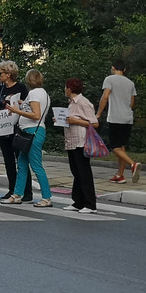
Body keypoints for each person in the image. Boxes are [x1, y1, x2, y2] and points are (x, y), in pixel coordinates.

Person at [1, 69, 53, 207]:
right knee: (22, 165)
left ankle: (46, 197)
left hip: (32, 132)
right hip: (32, 131)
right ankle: (17, 194)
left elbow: (36, 114)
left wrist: (16, 110)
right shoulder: (43, 93)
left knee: (36, 166)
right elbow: (34, 109)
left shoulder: (34, 93)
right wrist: (23, 103)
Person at [95, 60, 140, 184]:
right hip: (128, 117)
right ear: (124, 70)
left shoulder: (110, 79)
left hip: (116, 117)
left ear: (113, 68)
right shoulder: (130, 83)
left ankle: (133, 164)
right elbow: (132, 103)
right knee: (122, 146)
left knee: (114, 146)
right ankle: (120, 174)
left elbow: (105, 96)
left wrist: (98, 113)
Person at [58, 78, 99, 214]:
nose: (65, 89)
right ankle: (78, 201)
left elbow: (94, 123)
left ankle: (90, 203)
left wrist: (75, 121)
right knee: (76, 171)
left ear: (70, 88)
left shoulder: (83, 102)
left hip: (81, 141)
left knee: (84, 172)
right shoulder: (71, 103)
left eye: (66, 87)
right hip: (71, 141)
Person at [0, 61, 31, 202]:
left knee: (21, 160)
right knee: (8, 161)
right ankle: (12, 189)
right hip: (3, 129)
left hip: (18, 129)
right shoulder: (0, 90)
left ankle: (27, 191)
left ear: (8, 74)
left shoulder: (21, 88)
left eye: (1, 73)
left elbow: (28, 107)